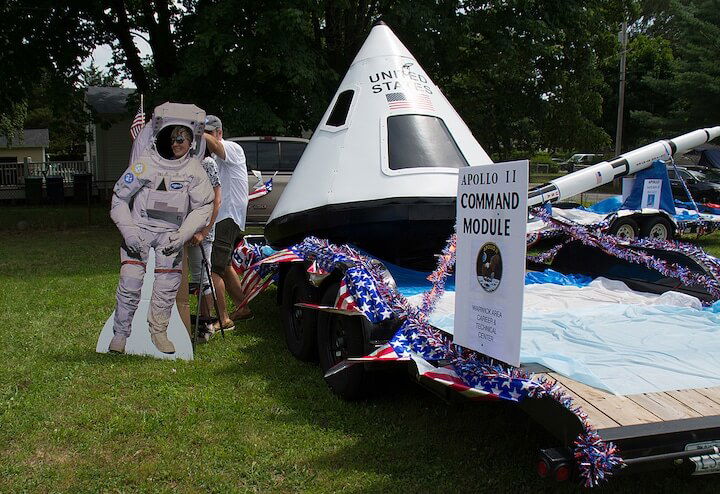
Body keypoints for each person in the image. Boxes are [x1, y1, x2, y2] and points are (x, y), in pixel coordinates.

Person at [109, 122, 214, 354]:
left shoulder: (194, 171)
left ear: (191, 143)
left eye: (181, 139)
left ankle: (158, 332)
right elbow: (119, 199)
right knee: (130, 283)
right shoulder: (145, 164)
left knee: (166, 288)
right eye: (173, 139)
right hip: (140, 230)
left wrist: (182, 235)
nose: (176, 144)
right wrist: (129, 233)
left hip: (170, 234)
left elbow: (204, 207)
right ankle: (120, 335)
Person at [202, 115, 250, 332]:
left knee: (215, 268)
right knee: (226, 263)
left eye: (209, 133)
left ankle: (223, 318)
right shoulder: (213, 159)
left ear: (219, 133)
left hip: (227, 216)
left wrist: (194, 132)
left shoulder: (232, 148)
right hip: (226, 216)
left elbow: (214, 145)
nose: (206, 138)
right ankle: (242, 307)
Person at [187, 150, 222, 341]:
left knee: (202, 277)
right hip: (185, 230)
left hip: (201, 232)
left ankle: (208, 324)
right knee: (194, 277)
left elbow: (216, 201)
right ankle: (199, 321)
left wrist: (204, 231)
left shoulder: (207, 163)